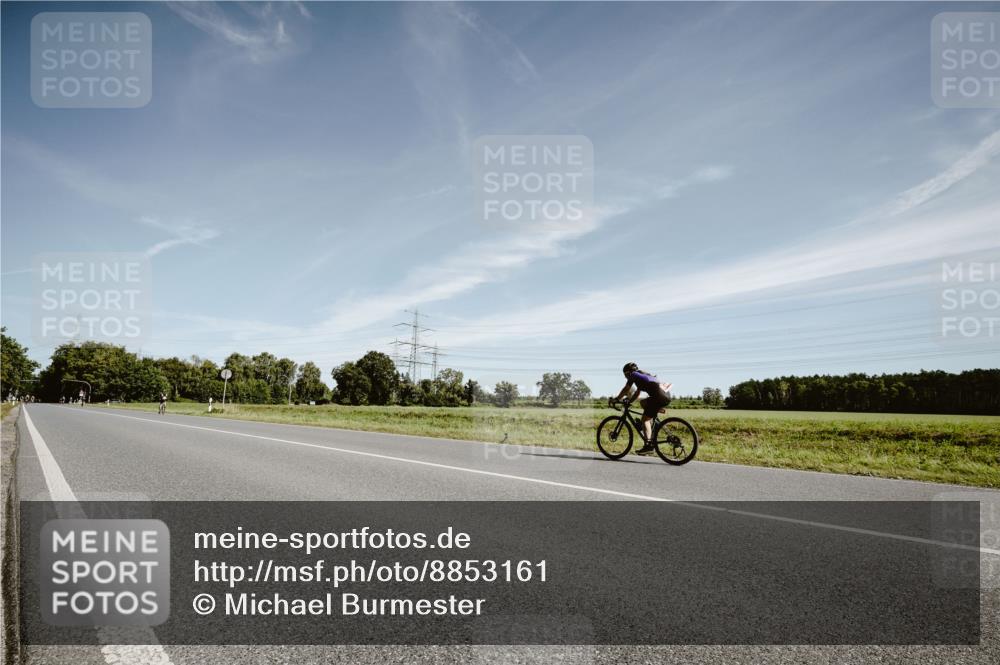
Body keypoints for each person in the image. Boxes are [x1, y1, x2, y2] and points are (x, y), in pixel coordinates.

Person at [612, 362, 672, 454]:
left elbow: (626, 389)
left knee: (645, 420)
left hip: (658, 397)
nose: (625, 378)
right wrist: (629, 401)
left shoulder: (634, 375)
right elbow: (637, 393)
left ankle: (648, 446)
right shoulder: (642, 376)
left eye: (625, 375)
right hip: (666, 396)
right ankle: (654, 415)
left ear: (628, 373)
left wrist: (616, 399)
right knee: (643, 402)